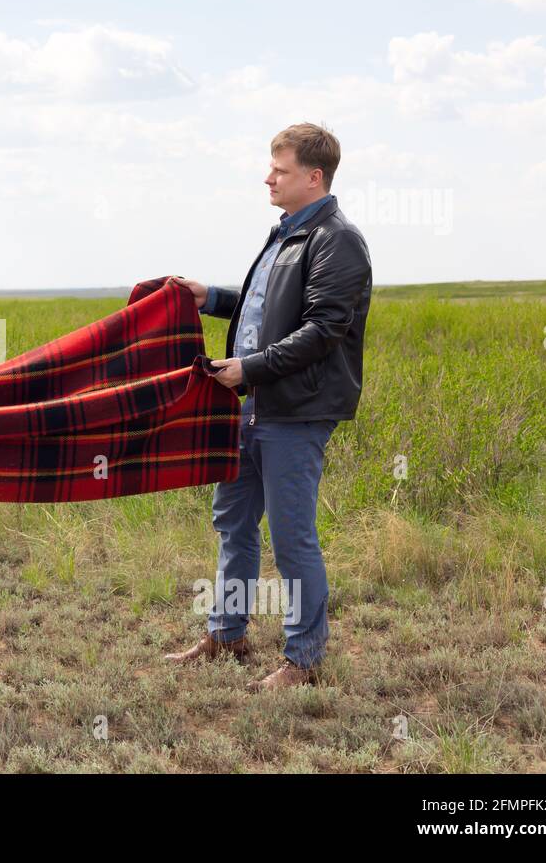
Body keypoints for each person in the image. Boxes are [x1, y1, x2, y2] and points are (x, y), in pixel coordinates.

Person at [166, 122, 372, 692]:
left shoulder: (338, 240)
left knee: (291, 535)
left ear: (314, 176)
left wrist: (248, 369)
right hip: (251, 405)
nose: (268, 178)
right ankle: (226, 633)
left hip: (295, 411)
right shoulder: (286, 233)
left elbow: (324, 329)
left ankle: (303, 659)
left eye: (279, 170)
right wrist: (210, 298)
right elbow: (264, 315)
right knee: (233, 523)